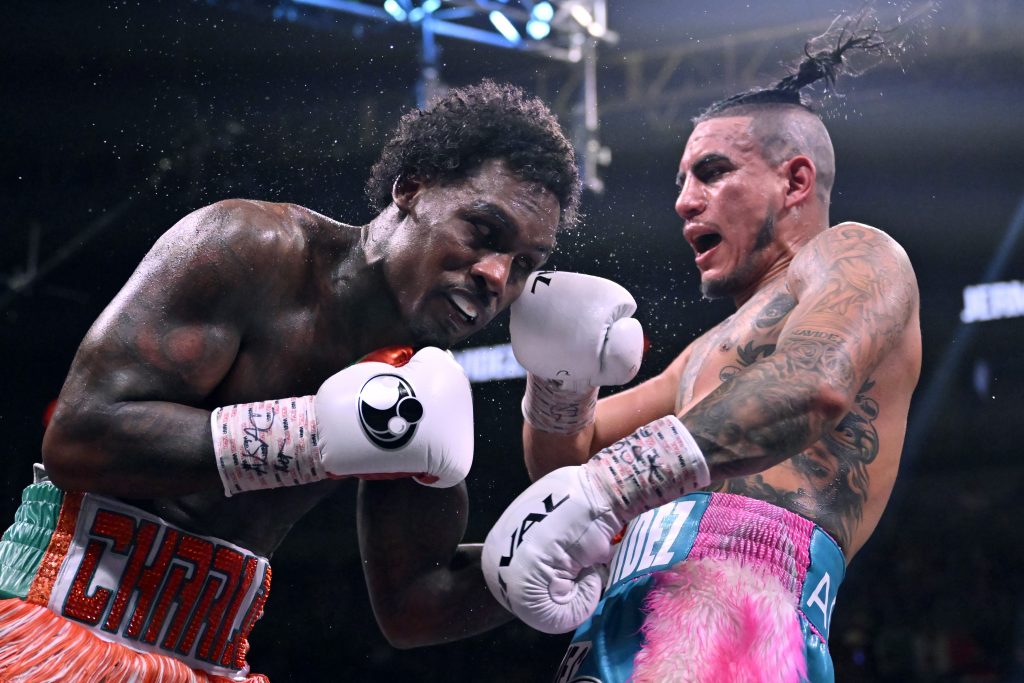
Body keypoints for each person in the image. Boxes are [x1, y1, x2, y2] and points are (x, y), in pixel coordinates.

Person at [0, 79, 581, 682]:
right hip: (54, 622)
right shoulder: (252, 249)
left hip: (208, 658)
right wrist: (314, 436)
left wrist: (564, 550)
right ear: (410, 187)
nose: (496, 276)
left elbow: (415, 606)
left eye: (525, 266)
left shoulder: (420, 388)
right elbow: (78, 439)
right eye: (483, 233)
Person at [482, 25, 922, 683]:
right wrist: (558, 381)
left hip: (740, 611)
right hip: (625, 611)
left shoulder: (858, 255)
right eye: (684, 179)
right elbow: (565, 465)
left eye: (713, 172)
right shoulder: (701, 358)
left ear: (794, 180)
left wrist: (608, 485)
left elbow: (812, 384)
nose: (685, 200)